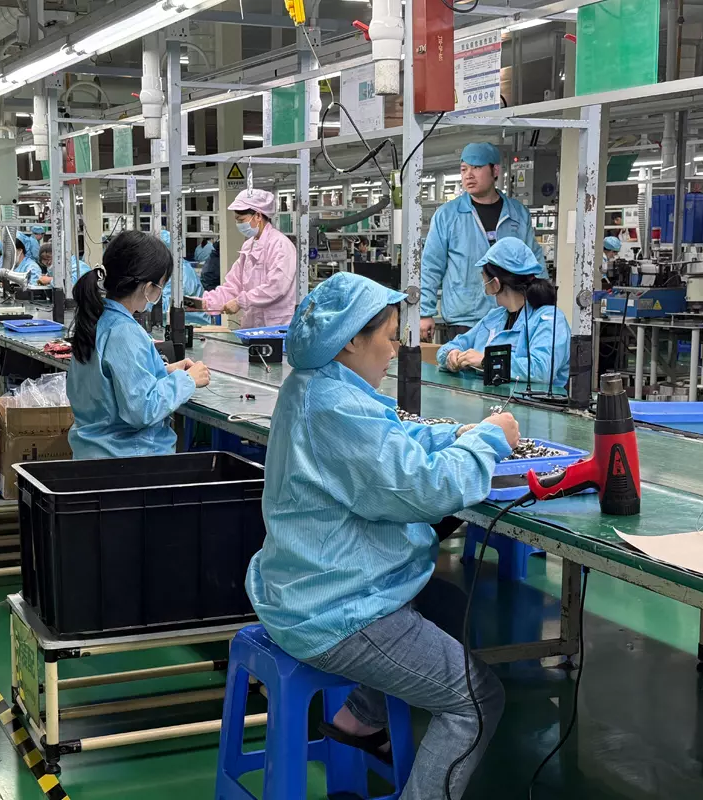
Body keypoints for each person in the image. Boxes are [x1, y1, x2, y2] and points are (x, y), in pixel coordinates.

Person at [246, 271, 518, 800]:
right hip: (337, 609)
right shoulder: (335, 406)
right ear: (352, 339)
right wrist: (487, 442)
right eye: (390, 337)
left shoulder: (319, 383)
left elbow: (390, 435)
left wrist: (454, 434)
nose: (394, 350)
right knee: (477, 701)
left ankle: (361, 718)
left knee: (445, 603)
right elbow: (426, 488)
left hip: (305, 586)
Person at [67, 230, 211, 459]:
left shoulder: (98, 319)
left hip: (94, 455)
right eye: (161, 285)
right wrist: (187, 380)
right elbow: (142, 410)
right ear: (148, 287)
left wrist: (161, 371)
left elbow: (109, 384)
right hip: (128, 459)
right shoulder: (124, 333)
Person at [421, 143, 545, 343]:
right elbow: (431, 266)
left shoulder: (517, 214)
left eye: (476, 168)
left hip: (511, 315)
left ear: (495, 170)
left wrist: (543, 307)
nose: (468, 175)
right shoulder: (447, 216)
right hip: (465, 318)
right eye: (464, 169)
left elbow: (534, 262)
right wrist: (424, 312)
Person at [437, 239, 571, 390]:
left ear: (495, 283)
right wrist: (451, 355)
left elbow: (542, 370)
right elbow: (451, 347)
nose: (483, 286)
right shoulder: (494, 317)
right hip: (488, 397)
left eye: (483, 278)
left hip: (532, 403)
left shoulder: (550, 319)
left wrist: (487, 361)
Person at [193, 189, 296, 327]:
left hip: (277, 326)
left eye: (241, 220)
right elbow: (234, 285)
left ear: (258, 215)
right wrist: (208, 301)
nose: (239, 225)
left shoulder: (280, 245)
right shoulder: (249, 246)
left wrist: (240, 301)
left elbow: (276, 287)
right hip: (252, 326)